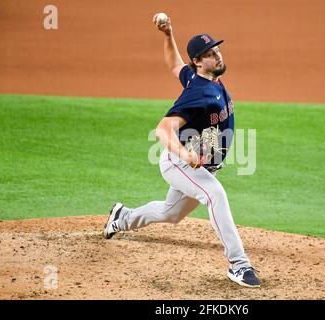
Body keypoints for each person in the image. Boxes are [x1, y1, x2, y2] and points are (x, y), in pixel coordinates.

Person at [103, 14, 260, 288]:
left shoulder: (202, 78)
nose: (217, 56)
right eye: (209, 54)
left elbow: (175, 64)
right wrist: (185, 154)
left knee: (170, 213)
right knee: (215, 194)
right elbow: (163, 129)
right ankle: (239, 264)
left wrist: (167, 35)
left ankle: (122, 217)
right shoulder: (197, 94)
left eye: (217, 50)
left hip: (196, 165)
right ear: (198, 62)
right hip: (179, 163)